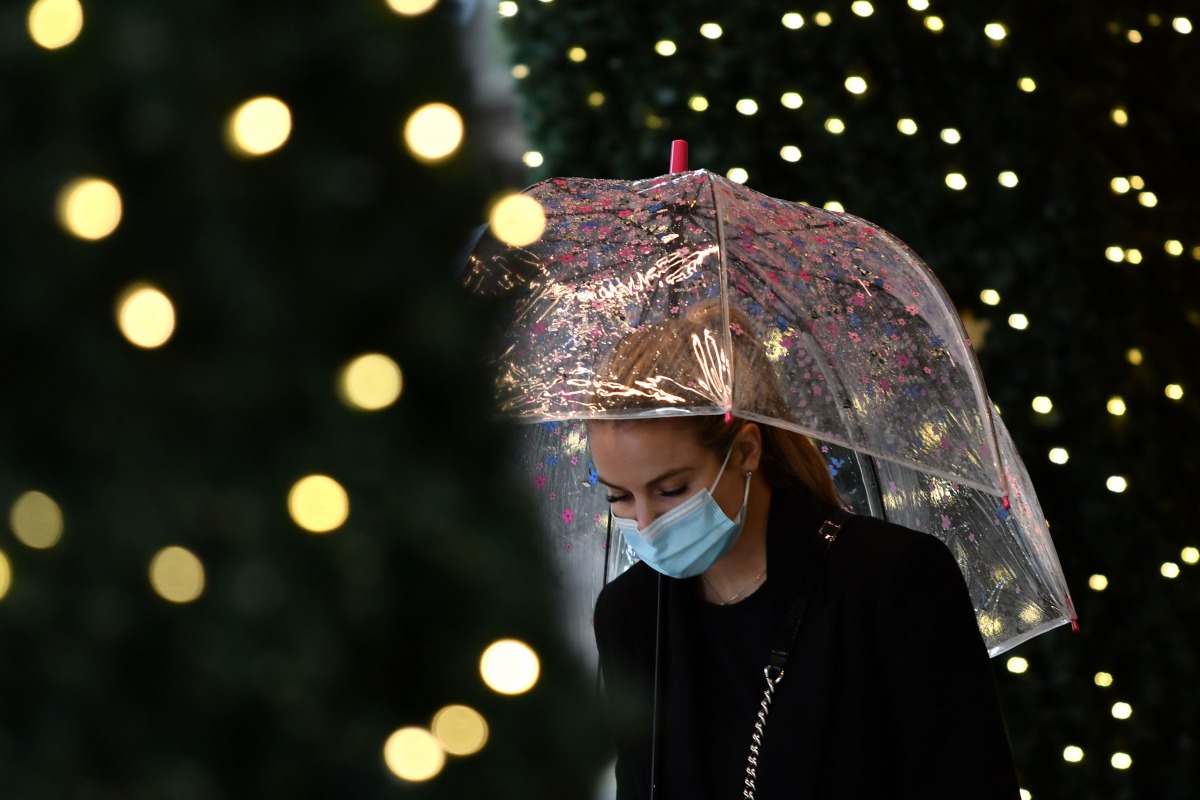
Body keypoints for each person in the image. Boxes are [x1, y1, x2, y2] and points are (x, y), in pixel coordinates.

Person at [589, 301, 1021, 799]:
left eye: (671, 490)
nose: (645, 523)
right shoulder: (632, 613)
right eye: (618, 496)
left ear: (746, 450)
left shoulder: (890, 579)